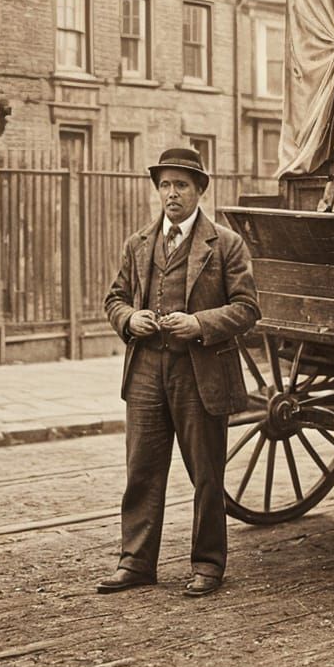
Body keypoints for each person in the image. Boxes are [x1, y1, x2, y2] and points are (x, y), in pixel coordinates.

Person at [98, 147, 260, 597]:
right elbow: (114, 299)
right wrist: (130, 318)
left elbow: (247, 308)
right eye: (165, 185)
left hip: (199, 372)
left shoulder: (225, 244)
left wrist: (199, 324)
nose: (172, 194)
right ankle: (135, 562)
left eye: (181, 185)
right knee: (141, 470)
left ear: (199, 190)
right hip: (147, 370)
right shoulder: (138, 243)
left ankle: (208, 563)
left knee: (206, 474)